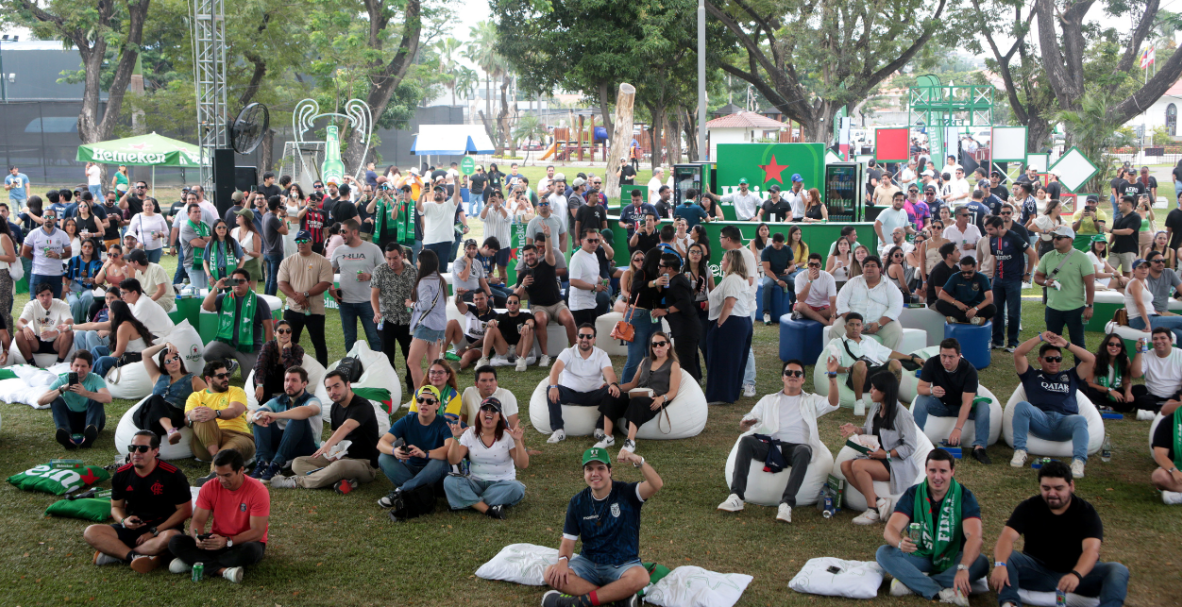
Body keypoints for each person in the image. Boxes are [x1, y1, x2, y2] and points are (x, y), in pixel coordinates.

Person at [991, 460, 1129, 607]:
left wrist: (1076, 574)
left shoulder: (1086, 512)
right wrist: (1000, 564)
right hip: (1039, 572)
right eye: (1046, 488)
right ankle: (1009, 603)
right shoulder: (1029, 507)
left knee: (1117, 570)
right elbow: (1006, 537)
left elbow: (1091, 551)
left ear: (1071, 486)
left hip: (1079, 575)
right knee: (1007, 557)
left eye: (1058, 488)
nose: (1052, 493)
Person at [718, 358, 840, 522]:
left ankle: (787, 504)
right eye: (788, 372)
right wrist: (746, 423)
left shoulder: (811, 400)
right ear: (783, 377)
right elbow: (750, 420)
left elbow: (833, 403)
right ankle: (736, 497)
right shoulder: (768, 399)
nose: (793, 376)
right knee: (746, 442)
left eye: (798, 373)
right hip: (771, 446)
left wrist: (832, 375)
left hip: (796, 448)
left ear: (803, 379)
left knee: (804, 451)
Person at [541, 446, 662, 607]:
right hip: (589, 563)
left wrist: (638, 461)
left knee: (641, 577)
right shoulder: (577, 502)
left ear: (610, 471)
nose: (595, 473)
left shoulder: (627, 493)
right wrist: (563, 561)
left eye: (600, 468)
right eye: (589, 469)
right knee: (551, 573)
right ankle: (616, 598)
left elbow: (656, 484)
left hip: (623, 564)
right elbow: (568, 541)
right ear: (584, 474)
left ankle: (575, 603)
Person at [874, 449, 987, 606]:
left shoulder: (964, 496)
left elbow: (975, 537)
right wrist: (900, 543)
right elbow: (891, 528)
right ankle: (939, 590)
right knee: (884, 552)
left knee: (981, 562)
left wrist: (963, 567)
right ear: (926, 470)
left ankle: (911, 583)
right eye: (932, 470)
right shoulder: (914, 493)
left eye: (943, 471)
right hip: (920, 554)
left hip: (953, 555)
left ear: (952, 472)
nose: (937, 476)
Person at [86, 429, 191, 573]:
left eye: (142, 448)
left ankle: (116, 552)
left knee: (172, 538)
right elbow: (116, 506)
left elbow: (185, 511)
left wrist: (154, 531)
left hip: (162, 529)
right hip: (133, 528)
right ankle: (136, 556)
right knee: (91, 531)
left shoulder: (173, 475)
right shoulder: (121, 474)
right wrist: (124, 521)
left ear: (155, 451)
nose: (136, 452)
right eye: (132, 448)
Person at [270, 369, 381, 493]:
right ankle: (338, 481)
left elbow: (347, 427)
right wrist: (333, 453)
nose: (333, 392)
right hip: (340, 458)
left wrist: (327, 446)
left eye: (336, 386)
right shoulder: (335, 407)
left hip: (364, 464)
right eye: (328, 389)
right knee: (298, 462)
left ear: (348, 385)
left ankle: (298, 481)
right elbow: (335, 436)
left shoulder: (362, 406)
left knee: (339, 467)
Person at [167, 449, 269, 583]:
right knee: (175, 541)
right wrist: (197, 537)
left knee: (250, 551)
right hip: (215, 541)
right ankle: (222, 570)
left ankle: (193, 562)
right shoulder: (209, 487)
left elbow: (257, 532)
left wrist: (227, 541)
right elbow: (197, 520)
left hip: (242, 542)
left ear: (241, 470)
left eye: (227, 475)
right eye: (218, 475)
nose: (222, 480)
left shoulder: (258, 491)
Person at [838, 371, 920, 525]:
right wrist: (856, 429)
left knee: (858, 465)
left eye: (874, 388)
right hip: (877, 457)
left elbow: (910, 446)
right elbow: (870, 430)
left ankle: (872, 510)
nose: (871, 391)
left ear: (885, 391)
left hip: (895, 462)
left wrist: (887, 454)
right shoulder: (876, 407)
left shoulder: (902, 415)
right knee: (845, 466)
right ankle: (879, 501)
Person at [1010, 332, 1095, 478]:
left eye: (1057, 359)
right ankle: (1020, 451)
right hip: (1041, 420)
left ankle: (1079, 461)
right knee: (1022, 406)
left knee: (1080, 420)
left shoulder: (1070, 376)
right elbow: (1018, 353)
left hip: (1065, 422)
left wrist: (1066, 344)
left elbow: (1090, 359)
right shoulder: (1032, 376)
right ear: (1040, 360)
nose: (1054, 362)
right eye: (1049, 359)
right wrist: (1040, 337)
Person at [443, 397, 528, 519]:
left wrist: (518, 441)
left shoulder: (508, 435)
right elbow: (453, 460)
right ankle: (488, 509)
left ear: (499, 417)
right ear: (479, 414)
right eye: (485, 409)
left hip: (501, 484)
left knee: (517, 488)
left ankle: (469, 501)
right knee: (449, 481)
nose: (489, 412)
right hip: (475, 483)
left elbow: (523, 464)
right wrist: (455, 439)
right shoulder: (469, 433)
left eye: (494, 410)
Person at [597, 331, 681, 454]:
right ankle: (607, 437)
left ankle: (630, 441)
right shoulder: (645, 361)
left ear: (668, 345)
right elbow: (633, 384)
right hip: (637, 394)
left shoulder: (673, 365)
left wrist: (662, 399)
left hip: (655, 399)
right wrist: (615, 386)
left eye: (661, 344)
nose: (658, 347)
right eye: (654, 344)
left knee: (637, 402)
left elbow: (673, 390)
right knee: (611, 395)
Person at [913, 339, 991, 463]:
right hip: (941, 405)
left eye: (951, 357)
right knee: (922, 399)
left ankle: (979, 447)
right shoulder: (932, 363)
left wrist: (957, 429)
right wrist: (932, 391)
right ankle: (915, 441)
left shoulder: (969, 370)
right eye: (943, 356)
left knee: (984, 406)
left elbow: (967, 402)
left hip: (962, 406)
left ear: (959, 356)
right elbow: (920, 389)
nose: (946, 361)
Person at [545, 323, 620, 444]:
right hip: (570, 393)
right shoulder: (568, 352)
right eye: (581, 336)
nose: (585, 339)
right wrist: (554, 386)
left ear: (594, 339)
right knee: (550, 389)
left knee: (614, 392)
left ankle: (600, 429)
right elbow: (555, 369)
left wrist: (612, 384)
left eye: (589, 336)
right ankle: (558, 430)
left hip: (594, 394)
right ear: (576, 338)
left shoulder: (601, 354)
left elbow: (609, 373)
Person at [249, 366, 324, 483]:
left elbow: (309, 410)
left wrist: (276, 415)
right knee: (261, 417)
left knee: (298, 417)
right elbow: (252, 412)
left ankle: (277, 464)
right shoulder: (279, 400)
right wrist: (254, 418)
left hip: (306, 448)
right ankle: (262, 463)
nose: (289, 384)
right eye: (287, 380)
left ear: (304, 384)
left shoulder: (312, 400)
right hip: (285, 444)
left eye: (294, 380)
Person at [185, 361, 255, 485]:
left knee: (230, 449)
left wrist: (216, 413)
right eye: (221, 376)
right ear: (208, 379)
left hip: (238, 437)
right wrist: (191, 416)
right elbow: (187, 420)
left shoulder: (235, 391)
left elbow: (235, 411)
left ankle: (214, 473)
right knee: (201, 415)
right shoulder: (196, 397)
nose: (226, 378)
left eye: (227, 375)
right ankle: (217, 458)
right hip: (206, 443)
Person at [515, 238, 577, 367]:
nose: (529, 257)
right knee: (540, 320)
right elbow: (516, 297)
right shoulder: (523, 275)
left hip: (556, 303)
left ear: (537, 254)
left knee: (569, 319)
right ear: (523, 258)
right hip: (538, 306)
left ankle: (575, 352)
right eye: (526, 255)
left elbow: (549, 252)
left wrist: (548, 236)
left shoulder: (547, 264)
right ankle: (545, 355)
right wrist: (523, 285)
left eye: (531, 254)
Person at [275, 231, 333, 367]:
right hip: (293, 310)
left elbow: (325, 283)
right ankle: (287, 370)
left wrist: (305, 294)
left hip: (315, 311)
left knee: (319, 343)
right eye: (298, 241)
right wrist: (297, 297)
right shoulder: (287, 261)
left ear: (311, 241)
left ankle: (323, 372)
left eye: (304, 240)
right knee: (288, 342)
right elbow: (282, 283)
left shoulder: (322, 261)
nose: (301, 243)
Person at [1034, 227, 1095, 355]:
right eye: (1054, 237)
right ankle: (1051, 371)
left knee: (1078, 343)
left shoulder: (1082, 258)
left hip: (1075, 309)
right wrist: (1046, 282)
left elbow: (1090, 283)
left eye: (1059, 237)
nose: (1055, 240)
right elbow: (1038, 277)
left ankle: (1081, 373)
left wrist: (1089, 306)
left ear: (1070, 239)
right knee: (1051, 344)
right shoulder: (1047, 256)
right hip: (1053, 308)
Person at [201, 270, 273, 377]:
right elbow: (206, 306)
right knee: (208, 353)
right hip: (227, 342)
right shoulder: (224, 298)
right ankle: (229, 365)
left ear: (249, 283)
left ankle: (250, 365)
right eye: (235, 281)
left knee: (250, 378)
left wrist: (268, 351)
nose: (237, 284)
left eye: (241, 281)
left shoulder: (259, 301)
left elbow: (268, 327)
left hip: (249, 347)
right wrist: (216, 287)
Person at [705, 249, 754, 405]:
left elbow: (730, 302)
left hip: (731, 322)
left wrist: (719, 323)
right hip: (739, 321)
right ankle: (728, 392)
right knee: (733, 360)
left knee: (724, 359)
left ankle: (721, 395)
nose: (721, 262)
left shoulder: (733, 279)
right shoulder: (738, 278)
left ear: (731, 262)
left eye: (724, 259)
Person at [328, 218, 383, 352]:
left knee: (374, 338)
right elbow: (329, 270)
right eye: (340, 231)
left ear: (355, 232)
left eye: (344, 231)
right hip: (345, 302)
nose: (341, 234)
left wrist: (370, 276)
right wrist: (330, 288)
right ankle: (351, 368)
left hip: (368, 302)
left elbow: (385, 273)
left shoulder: (373, 249)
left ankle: (380, 368)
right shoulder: (339, 250)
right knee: (349, 338)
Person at [134, 342, 204, 445]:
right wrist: (165, 344)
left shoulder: (193, 379)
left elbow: (209, 396)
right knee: (156, 399)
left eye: (175, 358)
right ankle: (170, 430)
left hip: (174, 416)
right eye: (168, 361)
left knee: (151, 415)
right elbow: (145, 354)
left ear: (180, 360)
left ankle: (150, 449)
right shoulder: (157, 376)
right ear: (164, 366)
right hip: (144, 414)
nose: (173, 362)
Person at [38, 350, 111, 449]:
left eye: (83, 366)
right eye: (76, 365)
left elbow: (108, 398)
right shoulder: (63, 379)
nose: (79, 369)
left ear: (90, 367)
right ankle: (64, 432)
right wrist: (62, 389)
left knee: (96, 397)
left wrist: (86, 393)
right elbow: (41, 401)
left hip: (92, 420)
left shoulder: (96, 379)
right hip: (71, 420)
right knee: (56, 400)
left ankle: (90, 433)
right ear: (71, 366)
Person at [832, 255, 905, 350]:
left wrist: (879, 324)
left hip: (881, 323)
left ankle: (886, 363)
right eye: (866, 266)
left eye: (873, 266)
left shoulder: (889, 285)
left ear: (879, 269)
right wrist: (852, 322)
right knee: (835, 329)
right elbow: (841, 302)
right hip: (852, 320)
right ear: (862, 269)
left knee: (896, 332)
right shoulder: (853, 282)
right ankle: (843, 361)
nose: (869, 268)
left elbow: (896, 306)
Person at [406, 249, 448, 391]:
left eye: (418, 260)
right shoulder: (440, 279)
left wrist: (411, 304)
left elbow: (425, 305)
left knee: (412, 362)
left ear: (423, 263)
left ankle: (420, 396)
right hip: (439, 326)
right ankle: (435, 395)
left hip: (427, 325)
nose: (416, 263)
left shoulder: (424, 281)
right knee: (433, 364)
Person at [90, 300, 153, 379]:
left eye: (109, 310)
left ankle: (94, 383)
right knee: (96, 350)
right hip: (127, 354)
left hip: (133, 357)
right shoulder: (125, 322)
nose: (107, 312)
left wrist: (108, 356)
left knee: (102, 361)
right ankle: (95, 375)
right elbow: (92, 325)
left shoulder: (124, 326)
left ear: (114, 313)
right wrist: (72, 327)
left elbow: (119, 353)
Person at [17, 283, 74, 366]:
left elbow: (69, 321)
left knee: (69, 332)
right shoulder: (32, 305)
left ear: (52, 294)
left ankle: (59, 363)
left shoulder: (61, 304)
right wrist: (25, 327)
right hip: (37, 341)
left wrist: (56, 331)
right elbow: (19, 322)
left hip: (56, 341)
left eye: (48, 295)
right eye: (42, 295)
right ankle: (31, 363)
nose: (45, 298)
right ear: (37, 297)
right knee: (19, 334)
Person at [479, 293, 536, 372]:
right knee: (491, 328)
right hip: (504, 349)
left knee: (529, 329)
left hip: (519, 349)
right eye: (510, 302)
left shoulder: (525, 315)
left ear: (519, 305)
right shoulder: (501, 316)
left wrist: (527, 325)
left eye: (515, 302)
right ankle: (484, 359)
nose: (512, 304)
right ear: (506, 305)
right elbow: (496, 321)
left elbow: (531, 322)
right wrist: (492, 322)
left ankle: (522, 360)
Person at [1131, 327, 1182, 414]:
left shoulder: (1180, 354)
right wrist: (1138, 352)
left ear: (1171, 341)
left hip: (1175, 396)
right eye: (1155, 339)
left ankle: (1155, 412)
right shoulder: (1147, 354)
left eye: (1163, 338)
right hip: (1153, 395)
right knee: (1141, 399)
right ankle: (1165, 411)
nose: (1158, 341)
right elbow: (1135, 374)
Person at [22, 207, 71, 299]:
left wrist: (58, 255)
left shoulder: (62, 234)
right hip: (38, 273)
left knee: (55, 302)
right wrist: (37, 258)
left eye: (51, 217)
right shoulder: (33, 233)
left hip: (56, 274)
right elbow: (25, 252)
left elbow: (68, 252)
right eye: (46, 217)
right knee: (35, 302)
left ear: (56, 219)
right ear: (42, 218)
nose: (48, 219)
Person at [935, 255, 996, 326]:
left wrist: (975, 309)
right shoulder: (955, 277)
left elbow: (990, 298)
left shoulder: (982, 278)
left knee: (992, 308)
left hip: (976, 308)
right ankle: (970, 319)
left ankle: (959, 319)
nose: (966, 275)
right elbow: (941, 294)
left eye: (969, 272)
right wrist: (956, 303)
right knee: (939, 303)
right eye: (963, 272)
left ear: (975, 267)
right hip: (960, 308)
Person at [417, 175, 462, 270]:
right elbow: (418, 206)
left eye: (440, 191)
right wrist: (421, 194)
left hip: (445, 242)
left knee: (442, 268)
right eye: (436, 191)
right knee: (429, 269)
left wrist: (457, 182)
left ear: (446, 195)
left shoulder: (450, 205)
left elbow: (456, 194)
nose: (437, 193)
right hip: (430, 242)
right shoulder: (428, 205)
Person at [1083, 333, 1134, 412]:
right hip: (1098, 391)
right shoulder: (1095, 359)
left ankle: (1104, 405)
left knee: (1139, 389)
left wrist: (1128, 392)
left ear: (1121, 348)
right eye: (1111, 344)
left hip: (1114, 392)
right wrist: (1109, 390)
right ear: (1105, 345)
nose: (1114, 347)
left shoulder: (1124, 360)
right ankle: (1107, 405)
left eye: (1118, 345)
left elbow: (1126, 382)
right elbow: (1088, 383)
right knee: (1085, 391)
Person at [1140, 250, 1182, 343]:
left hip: (1165, 314)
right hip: (1152, 315)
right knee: (1179, 333)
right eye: (1157, 261)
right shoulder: (1143, 277)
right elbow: (1140, 303)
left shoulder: (1169, 273)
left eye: (1163, 261)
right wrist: (1156, 313)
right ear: (1149, 263)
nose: (1161, 263)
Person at [1150, 394, 1182, 503]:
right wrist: (1174, 470)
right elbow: (1160, 454)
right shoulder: (1169, 422)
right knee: (1159, 476)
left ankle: (1179, 496)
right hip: (1179, 471)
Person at [759, 232, 796, 324]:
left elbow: (793, 265)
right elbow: (767, 270)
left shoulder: (787, 249)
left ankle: (794, 308)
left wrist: (788, 270)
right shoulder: (766, 251)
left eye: (781, 246)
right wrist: (777, 280)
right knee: (767, 285)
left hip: (784, 274)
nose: (779, 248)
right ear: (772, 242)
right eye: (777, 246)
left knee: (796, 284)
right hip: (771, 274)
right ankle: (766, 313)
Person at [792, 253, 837, 325]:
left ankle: (806, 315)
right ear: (807, 265)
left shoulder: (828, 277)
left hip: (822, 306)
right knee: (800, 306)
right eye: (811, 265)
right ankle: (826, 323)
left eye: (817, 265)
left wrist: (832, 316)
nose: (814, 267)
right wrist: (810, 281)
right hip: (806, 306)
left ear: (820, 266)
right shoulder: (800, 276)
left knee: (838, 309)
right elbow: (800, 299)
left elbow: (833, 299)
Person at [64, 239, 102, 323]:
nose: (87, 248)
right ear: (81, 248)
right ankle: (75, 326)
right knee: (74, 303)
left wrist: (94, 280)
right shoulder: (73, 261)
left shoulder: (98, 263)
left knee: (87, 297)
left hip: (89, 288)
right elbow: (65, 275)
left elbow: (101, 280)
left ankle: (82, 321)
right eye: (85, 246)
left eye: (90, 247)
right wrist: (64, 285)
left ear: (93, 249)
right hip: (73, 288)